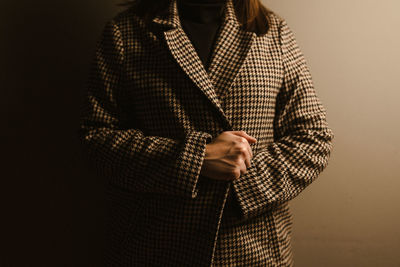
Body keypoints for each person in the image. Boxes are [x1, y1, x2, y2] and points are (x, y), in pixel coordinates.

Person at [78, 0, 334, 265]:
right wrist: (195, 159)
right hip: (156, 244)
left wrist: (240, 187)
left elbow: (313, 137)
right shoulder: (127, 32)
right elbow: (96, 138)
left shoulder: (272, 31)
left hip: (253, 248)